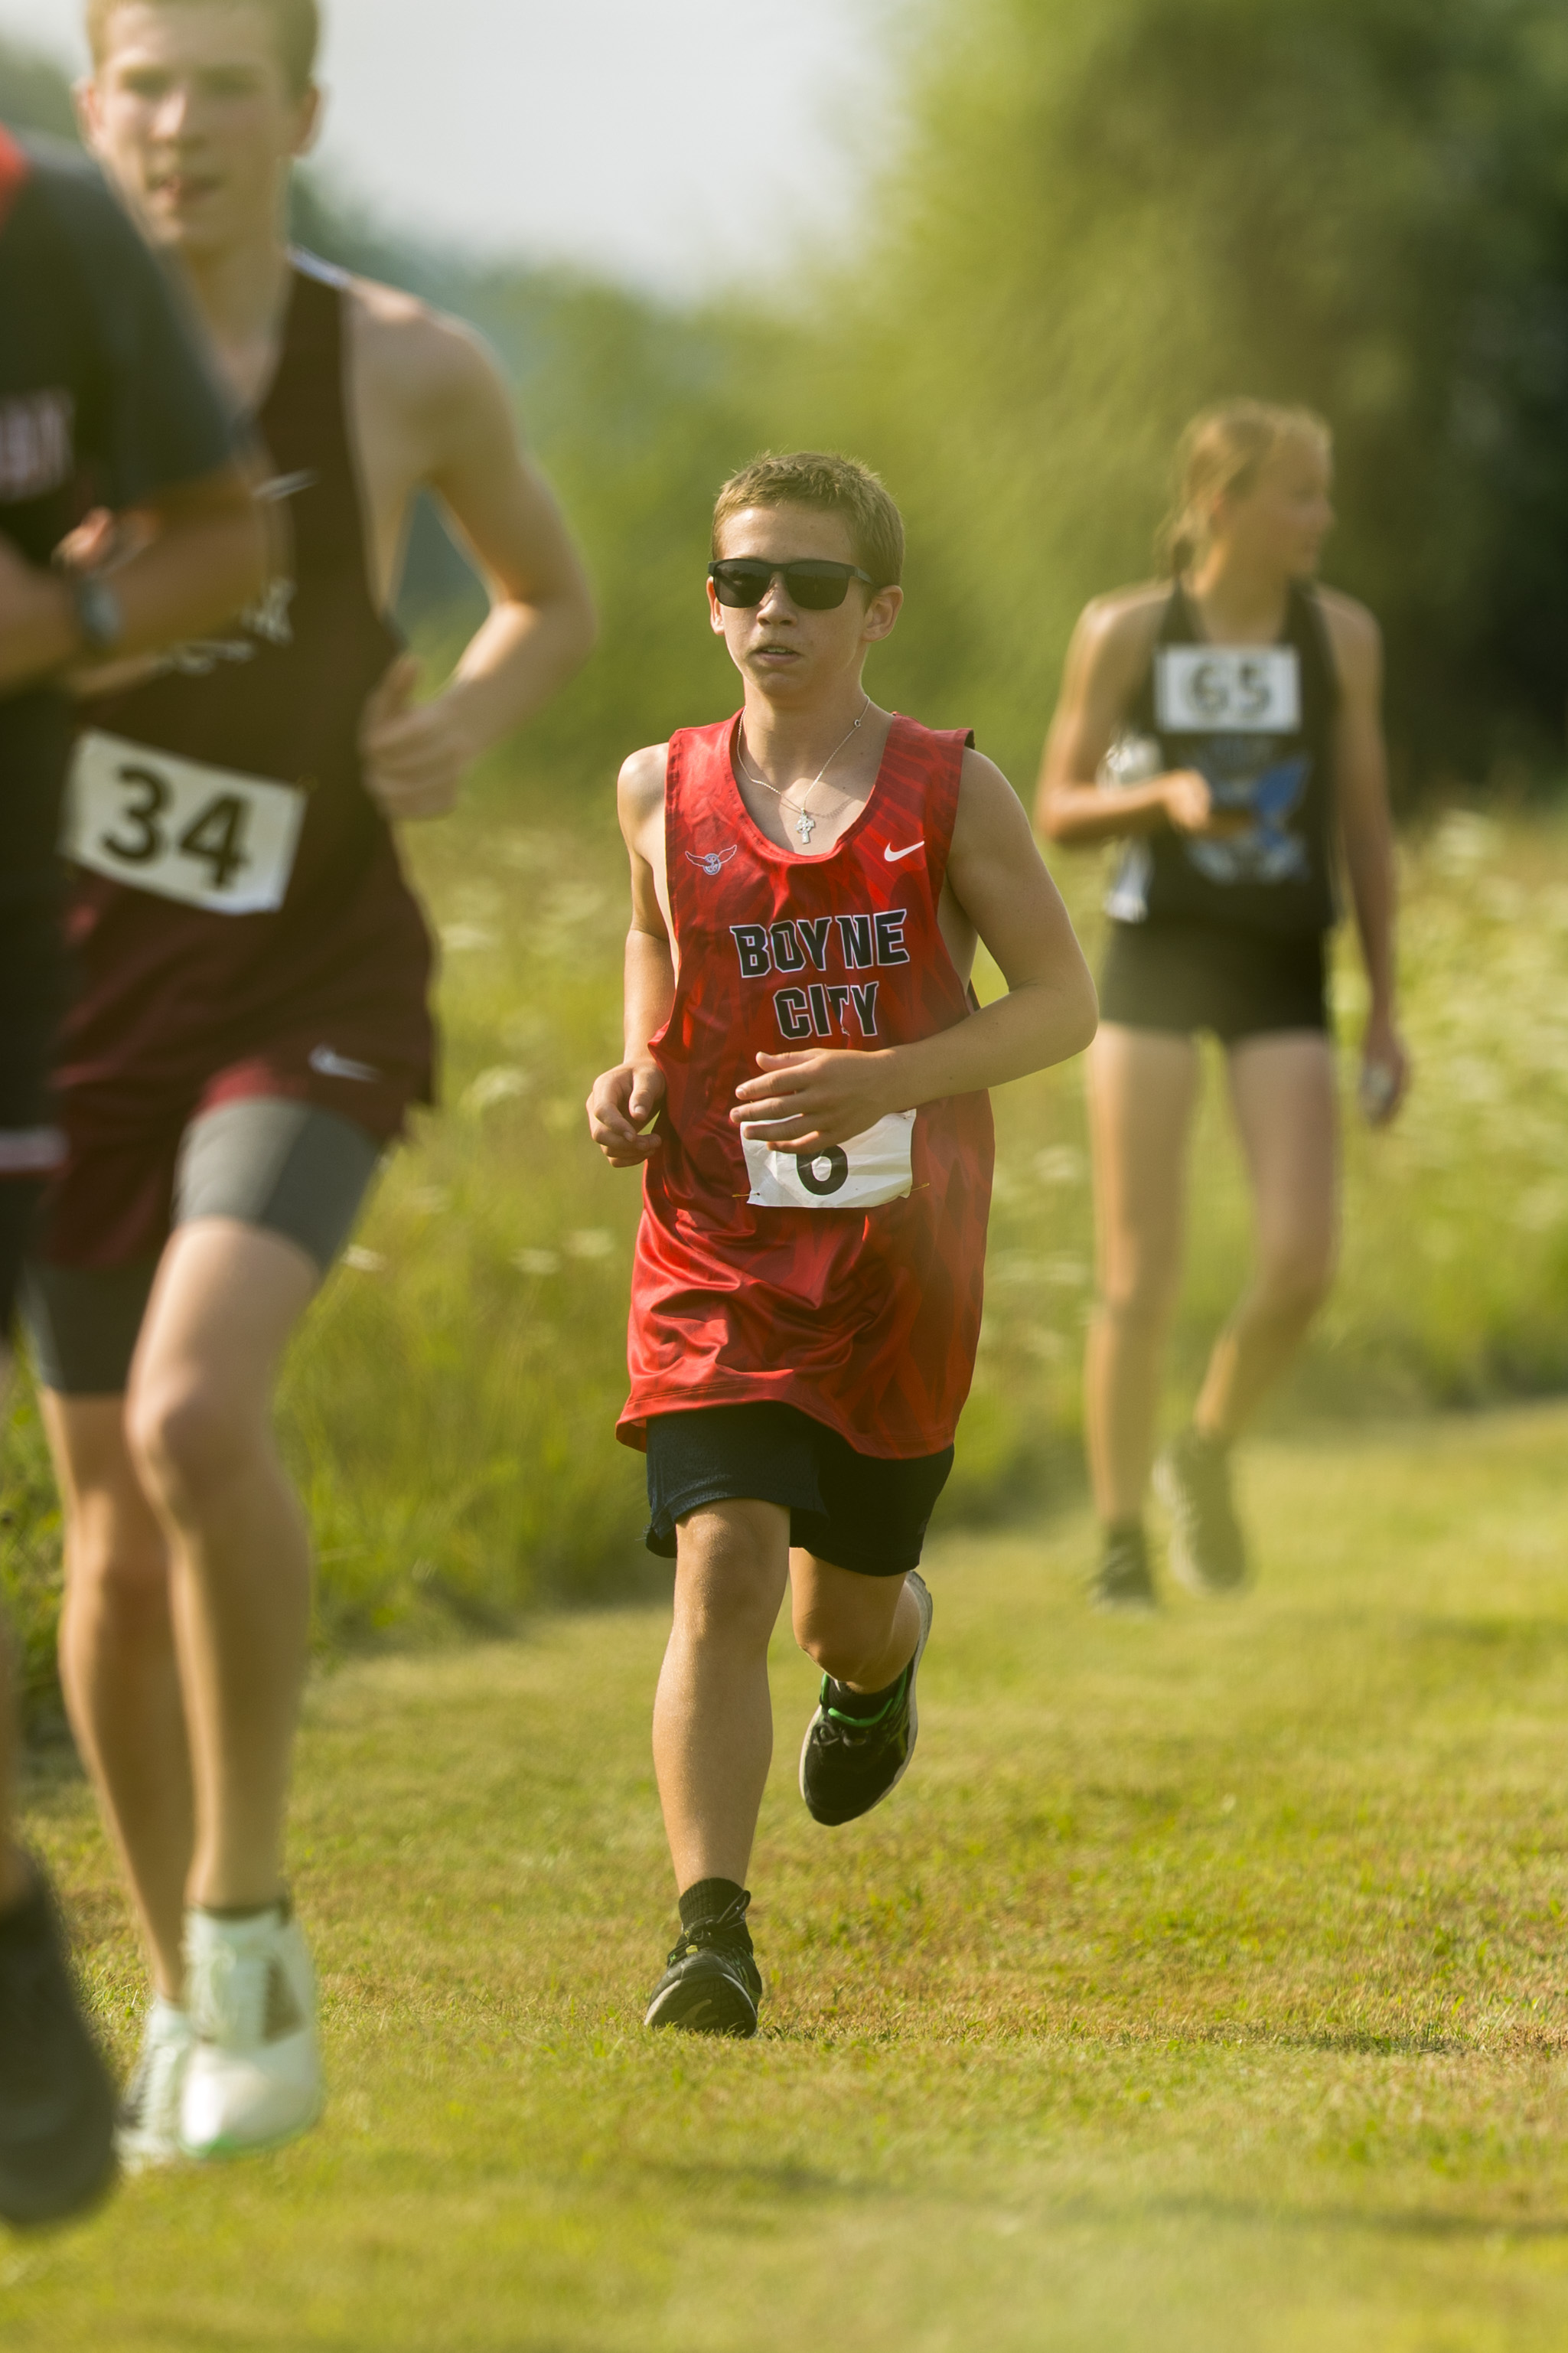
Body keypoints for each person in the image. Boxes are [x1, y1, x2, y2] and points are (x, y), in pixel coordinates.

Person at [20, 0, 595, 2169]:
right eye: (143, 84)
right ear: (92, 109)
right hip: (71, 998)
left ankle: (252, 1932)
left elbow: (548, 594)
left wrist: (462, 717)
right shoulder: (34, 354)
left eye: (225, 85)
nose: (179, 125)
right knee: (106, 1520)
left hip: (309, 974)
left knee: (194, 1413)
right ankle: (186, 1998)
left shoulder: (405, 368)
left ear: (305, 114)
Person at [588, 451, 1097, 2034]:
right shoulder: (654, 786)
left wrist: (887, 1077)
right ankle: (709, 1934)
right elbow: (652, 936)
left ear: (875, 610)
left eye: (810, 585)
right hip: (714, 1240)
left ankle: (885, 1662)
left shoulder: (949, 789)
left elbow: (1061, 1004)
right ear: (711, 604)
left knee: (840, 1614)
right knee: (725, 1562)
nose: (772, 612)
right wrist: (638, 1066)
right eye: (742, 582)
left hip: (898, 1263)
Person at [0, 119, 262, 2223]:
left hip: (25, 958)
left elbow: (223, 543)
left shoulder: (47, 223)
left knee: (118, 1463)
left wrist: (63, 612)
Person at [1035, 400, 1407, 1614]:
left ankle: (1202, 1447)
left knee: (1300, 1261)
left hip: (1280, 964)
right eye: (1300, 493)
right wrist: (1163, 799)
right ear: (1219, 503)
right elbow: (1057, 806)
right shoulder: (1125, 628)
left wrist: (1385, 1010)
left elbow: (1364, 829)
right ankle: (1118, 1542)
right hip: (1155, 954)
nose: (1321, 516)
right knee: (1136, 1273)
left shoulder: (1340, 636)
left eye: (1322, 492)